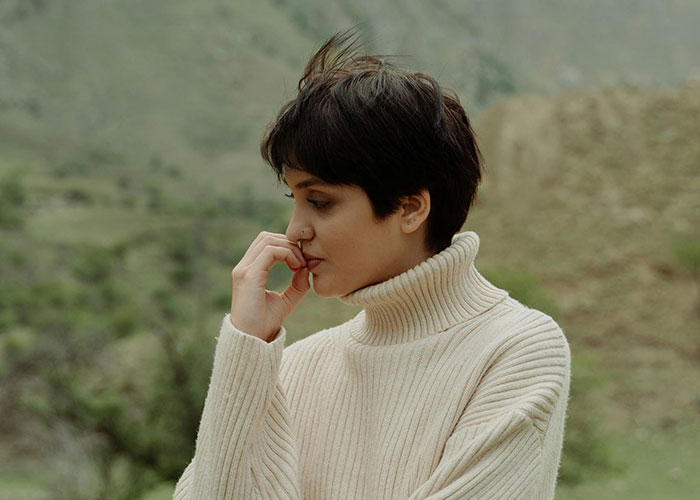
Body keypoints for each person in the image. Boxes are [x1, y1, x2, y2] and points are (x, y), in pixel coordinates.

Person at [173, 27, 570, 500]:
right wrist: (247, 348)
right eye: (294, 200)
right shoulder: (295, 367)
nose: (294, 230)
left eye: (320, 202)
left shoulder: (516, 351)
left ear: (410, 208)